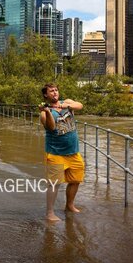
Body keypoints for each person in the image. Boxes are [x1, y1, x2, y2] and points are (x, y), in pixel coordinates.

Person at [40, 83, 84, 222]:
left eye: (56, 90)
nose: (55, 92)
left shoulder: (67, 102)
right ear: (46, 95)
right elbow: (51, 128)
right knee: (54, 183)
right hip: (55, 153)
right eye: (51, 91)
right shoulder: (43, 113)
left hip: (73, 152)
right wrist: (47, 111)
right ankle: (50, 213)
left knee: (76, 180)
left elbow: (80, 105)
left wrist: (66, 106)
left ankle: (69, 205)